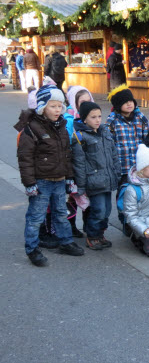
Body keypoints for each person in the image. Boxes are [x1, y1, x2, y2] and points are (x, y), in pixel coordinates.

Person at [15, 85, 84, 267]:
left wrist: (69, 177)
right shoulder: (32, 128)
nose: (58, 110)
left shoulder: (61, 125)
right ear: (42, 106)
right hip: (41, 182)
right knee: (36, 217)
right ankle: (32, 249)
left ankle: (65, 242)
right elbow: (25, 158)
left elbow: (66, 154)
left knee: (61, 213)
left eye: (60, 106)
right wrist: (29, 183)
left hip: (60, 180)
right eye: (53, 106)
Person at [71, 102, 122, 250]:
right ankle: (92, 235)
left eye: (99, 116)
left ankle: (100, 234)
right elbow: (79, 164)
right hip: (93, 181)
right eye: (93, 117)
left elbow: (114, 155)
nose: (98, 120)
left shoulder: (105, 132)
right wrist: (80, 186)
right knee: (98, 210)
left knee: (106, 210)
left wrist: (117, 173)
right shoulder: (80, 137)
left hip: (107, 179)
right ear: (84, 119)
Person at [106, 85, 149, 184]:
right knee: (123, 192)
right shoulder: (112, 121)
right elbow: (109, 144)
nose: (129, 104)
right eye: (125, 102)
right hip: (122, 166)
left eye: (131, 101)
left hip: (139, 165)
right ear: (118, 105)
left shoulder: (140, 118)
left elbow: (147, 139)